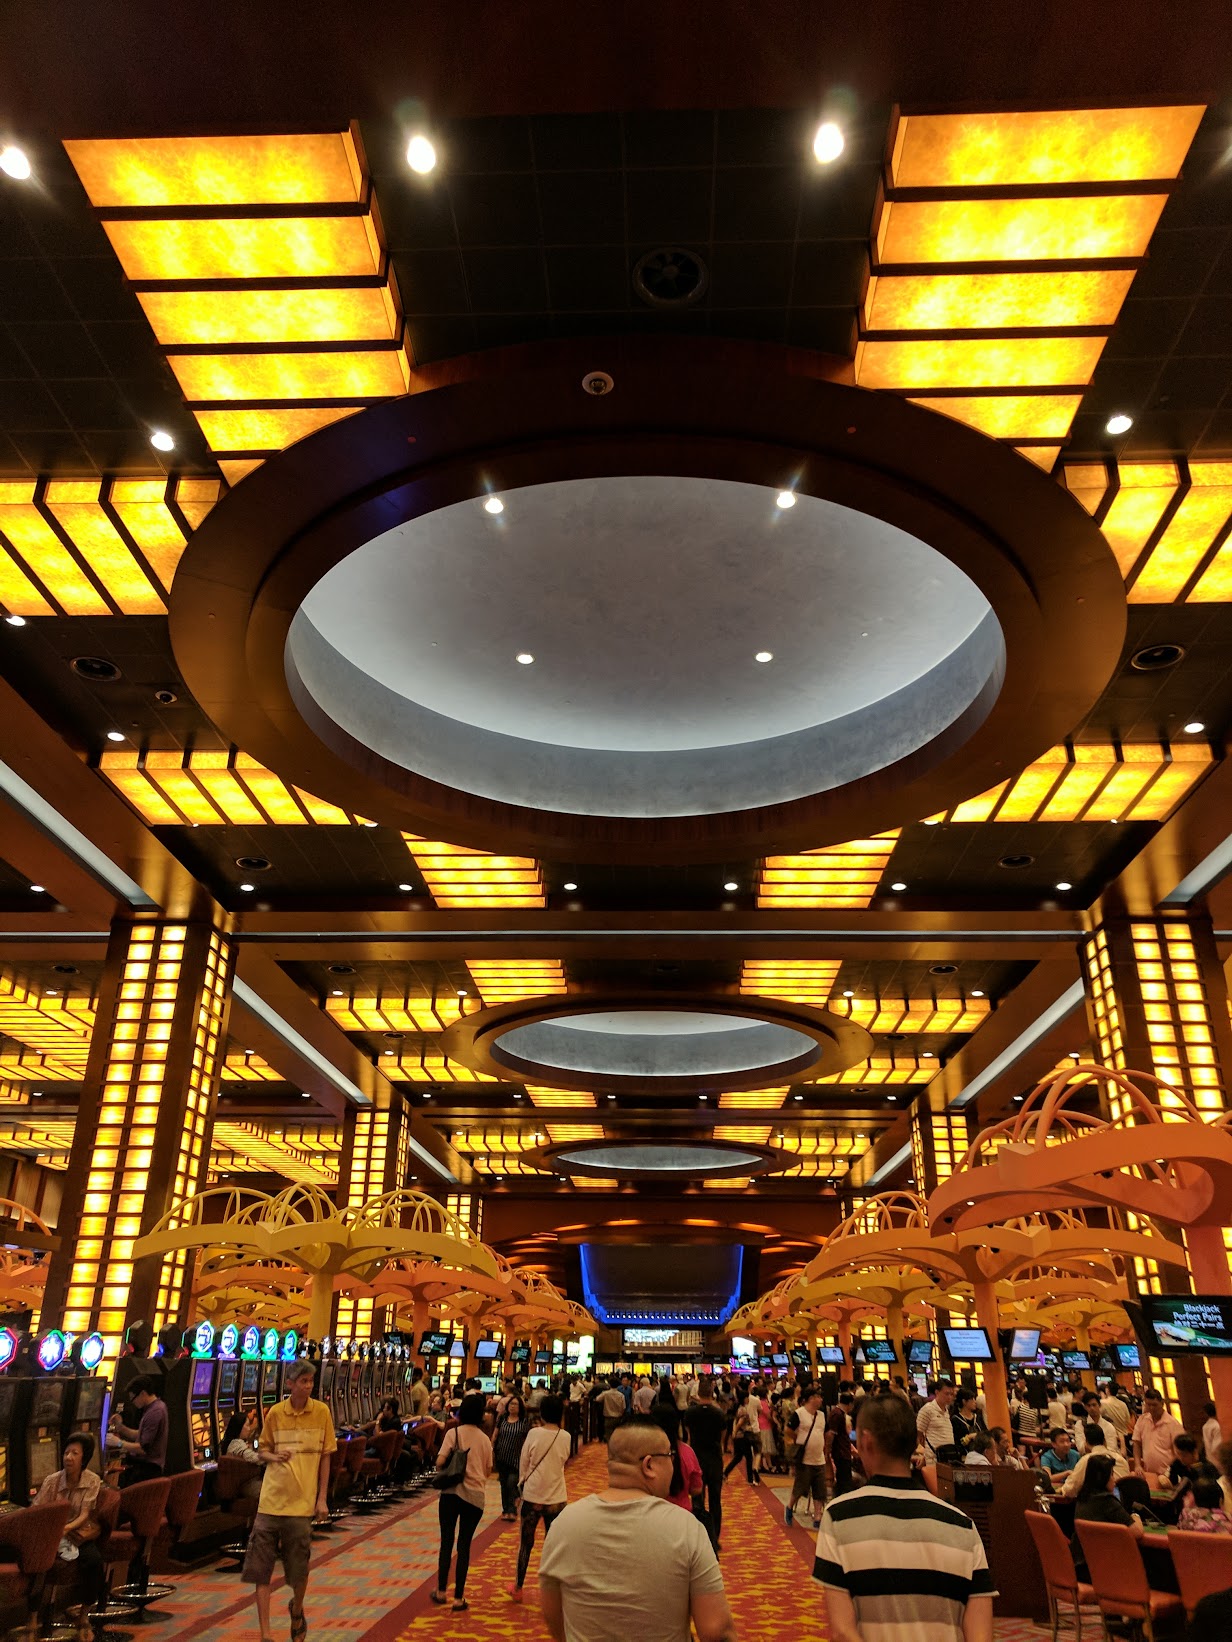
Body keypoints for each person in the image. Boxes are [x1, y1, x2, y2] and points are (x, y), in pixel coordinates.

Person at [815, 1392, 995, 1642]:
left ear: (865, 1441)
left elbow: (843, 1631)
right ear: (913, 1443)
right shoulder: (962, 1525)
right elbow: (981, 1634)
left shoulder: (838, 1517)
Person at [538, 1417, 736, 1642]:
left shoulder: (564, 1523)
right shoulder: (686, 1527)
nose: (673, 1464)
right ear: (649, 1465)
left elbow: (553, 1613)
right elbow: (716, 1631)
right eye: (670, 1456)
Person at [243, 1360, 335, 1642]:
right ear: (290, 1384)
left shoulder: (321, 1412)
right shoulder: (275, 1413)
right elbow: (263, 1451)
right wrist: (273, 1456)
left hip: (301, 1505)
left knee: (298, 1572)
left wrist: (322, 1499)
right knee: (261, 1572)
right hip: (270, 1502)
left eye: (311, 1381)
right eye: (303, 1381)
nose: (308, 1386)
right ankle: (266, 1634)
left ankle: (296, 1609)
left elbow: (326, 1457)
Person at [34, 1431, 104, 1634]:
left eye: (75, 1453)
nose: (68, 1457)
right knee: (37, 1562)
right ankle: (32, 1619)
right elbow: (37, 1510)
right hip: (51, 1534)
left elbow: (84, 1515)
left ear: (84, 1458)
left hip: (75, 1533)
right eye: (66, 1453)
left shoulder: (92, 1480)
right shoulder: (52, 1481)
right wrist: (52, 1530)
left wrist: (66, 1528)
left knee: (94, 1561)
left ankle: (84, 1615)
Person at [432, 1391, 492, 1613]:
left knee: (446, 1542)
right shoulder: (485, 1440)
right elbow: (488, 1470)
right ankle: (459, 1597)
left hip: (450, 1493)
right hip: (474, 1497)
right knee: (464, 1546)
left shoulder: (453, 1433)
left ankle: (441, 1591)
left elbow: (440, 1462)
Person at [510, 1392, 570, 1603]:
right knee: (553, 1545)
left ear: (542, 1413)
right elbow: (563, 1460)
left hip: (534, 1494)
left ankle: (518, 1587)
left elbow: (524, 1462)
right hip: (557, 1496)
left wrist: (521, 1485)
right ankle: (552, 1589)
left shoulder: (534, 1433)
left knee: (526, 1544)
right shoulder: (566, 1436)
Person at [1070, 1452, 1142, 1582]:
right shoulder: (1106, 1500)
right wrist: (1135, 1515)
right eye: (1111, 1474)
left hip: (1080, 1568)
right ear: (1102, 1478)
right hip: (1102, 1573)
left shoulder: (1082, 1497)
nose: (1114, 1479)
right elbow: (1137, 1532)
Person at [684, 1376, 727, 1551]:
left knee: (697, 1500)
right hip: (714, 1458)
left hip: (696, 1458)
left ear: (698, 1393)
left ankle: (698, 1538)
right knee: (715, 1500)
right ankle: (714, 1539)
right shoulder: (719, 1413)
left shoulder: (690, 1413)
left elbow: (688, 1436)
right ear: (712, 1393)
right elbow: (722, 1438)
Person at [109, 1375, 168, 1486]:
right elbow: (140, 1434)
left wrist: (119, 1443)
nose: (133, 1402)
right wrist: (120, 1427)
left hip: (148, 1470)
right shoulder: (158, 1406)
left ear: (143, 1393)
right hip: (147, 1468)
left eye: (133, 1398)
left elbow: (143, 1448)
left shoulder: (155, 1412)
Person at [785, 1387, 826, 1529]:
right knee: (800, 1487)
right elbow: (788, 1430)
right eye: (818, 1397)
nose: (821, 1400)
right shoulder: (799, 1414)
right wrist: (798, 1439)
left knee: (819, 1489)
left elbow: (823, 1433)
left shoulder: (822, 1415)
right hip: (804, 1458)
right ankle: (789, 1507)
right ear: (811, 1398)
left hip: (819, 1458)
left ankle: (818, 1516)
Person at [1060, 1422, 1131, 1497]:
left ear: (1086, 1443)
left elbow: (1069, 1490)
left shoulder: (1086, 1460)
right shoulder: (1121, 1459)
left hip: (1098, 1502)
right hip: (1121, 1502)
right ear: (1104, 1441)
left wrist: (1062, 1489)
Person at [493, 1393, 530, 1521]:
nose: (512, 1406)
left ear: (520, 1407)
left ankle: (512, 1509)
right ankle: (506, 1510)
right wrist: (492, 1449)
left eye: (515, 1404)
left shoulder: (523, 1421)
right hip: (502, 1456)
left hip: (516, 1458)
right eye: (511, 1404)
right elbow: (495, 1435)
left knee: (511, 1483)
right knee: (503, 1485)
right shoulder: (502, 1418)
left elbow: (526, 1440)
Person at [1133, 1387, 1185, 1477]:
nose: (1151, 1408)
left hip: (1168, 1475)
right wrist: (1137, 1465)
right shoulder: (1142, 1420)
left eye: (1154, 1405)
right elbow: (1136, 1443)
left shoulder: (1172, 1423)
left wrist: (1172, 1472)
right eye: (1148, 1405)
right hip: (1148, 1473)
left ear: (1162, 1403)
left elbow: (1181, 1451)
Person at [916, 1380, 955, 1464]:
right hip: (933, 1458)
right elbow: (919, 1434)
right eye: (946, 1394)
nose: (949, 1397)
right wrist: (926, 1452)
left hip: (948, 1456)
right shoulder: (927, 1409)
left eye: (951, 1394)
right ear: (937, 1392)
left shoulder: (946, 1411)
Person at [825, 1390, 855, 1497]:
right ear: (850, 1404)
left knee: (842, 1479)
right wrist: (828, 1450)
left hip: (843, 1450)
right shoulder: (837, 1414)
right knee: (844, 1479)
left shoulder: (839, 1413)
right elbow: (831, 1434)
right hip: (840, 1451)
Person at [723, 1393, 756, 1485]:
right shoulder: (743, 1410)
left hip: (738, 1436)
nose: (748, 1399)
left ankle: (725, 1473)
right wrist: (735, 1431)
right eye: (747, 1397)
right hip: (742, 1436)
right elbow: (739, 1423)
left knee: (738, 1457)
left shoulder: (739, 1408)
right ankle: (750, 1479)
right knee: (748, 1457)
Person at [601, 1378, 627, 1442]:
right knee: (617, 1436)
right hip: (618, 1417)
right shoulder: (621, 1395)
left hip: (608, 1417)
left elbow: (597, 1399)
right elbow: (623, 1407)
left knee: (608, 1436)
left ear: (610, 1384)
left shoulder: (605, 1393)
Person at [1203, 1400, 1223, 1467]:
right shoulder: (1216, 1426)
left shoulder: (1205, 1426)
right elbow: (1216, 1447)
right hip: (1216, 1461)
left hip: (1209, 1459)